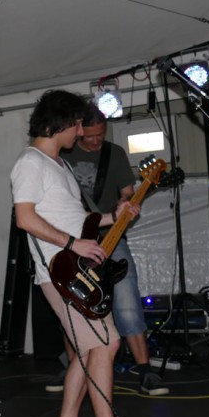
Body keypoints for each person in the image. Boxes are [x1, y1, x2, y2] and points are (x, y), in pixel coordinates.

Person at [10, 89, 155, 417]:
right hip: (60, 273)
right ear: (62, 122)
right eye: (77, 124)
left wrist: (116, 214)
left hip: (78, 270)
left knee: (90, 350)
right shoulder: (30, 163)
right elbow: (25, 218)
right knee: (105, 345)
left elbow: (75, 218)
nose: (81, 132)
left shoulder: (59, 164)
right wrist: (73, 244)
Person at [60, 103, 168, 395]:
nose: (95, 141)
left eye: (100, 135)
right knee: (73, 303)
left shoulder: (115, 154)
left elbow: (127, 195)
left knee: (126, 299)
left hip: (112, 236)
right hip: (73, 239)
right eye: (89, 136)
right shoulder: (64, 152)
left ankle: (145, 371)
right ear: (79, 129)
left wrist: (130, 204)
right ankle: (74, 371)